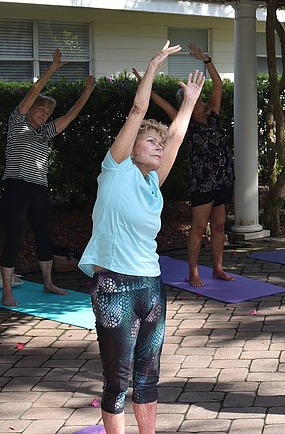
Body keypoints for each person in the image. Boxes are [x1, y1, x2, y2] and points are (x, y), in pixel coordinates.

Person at [78, 42, 204, 434]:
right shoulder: (115, 170)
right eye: (151, 141)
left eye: (159, 143)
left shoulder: (153, 181)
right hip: (114, 285)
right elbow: (138, 110)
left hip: (150, 285)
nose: (159, 146)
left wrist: (188, 103)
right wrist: (152, 67)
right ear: (130, 147)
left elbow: (178, 139)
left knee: (148, 376)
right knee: (117, 380)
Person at [0, 48, 95, 307]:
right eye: (41, 110)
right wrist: (53, 68)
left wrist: (87, 91)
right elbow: (32, 94)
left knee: (45, 237)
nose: (44, 114)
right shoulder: (17, 123)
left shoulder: (45, 132)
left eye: (47, 113)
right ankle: (7, 290)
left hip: (39, 189)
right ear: (30, 110)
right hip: (16, 187)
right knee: (14, 237)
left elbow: (71, 115)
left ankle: (48, 282)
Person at [134, 43, 235, 287]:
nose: (199, 100)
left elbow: (218, 85)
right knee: (199, 228)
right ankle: (193, 271)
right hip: (201, 179)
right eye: (194, 98)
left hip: (222, 175)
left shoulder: (213, 112)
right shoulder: (184, 120)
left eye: (199, 97)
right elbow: (160, 103)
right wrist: (144, 80)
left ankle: (218, 268)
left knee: (219, 225)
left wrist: (207, 60)